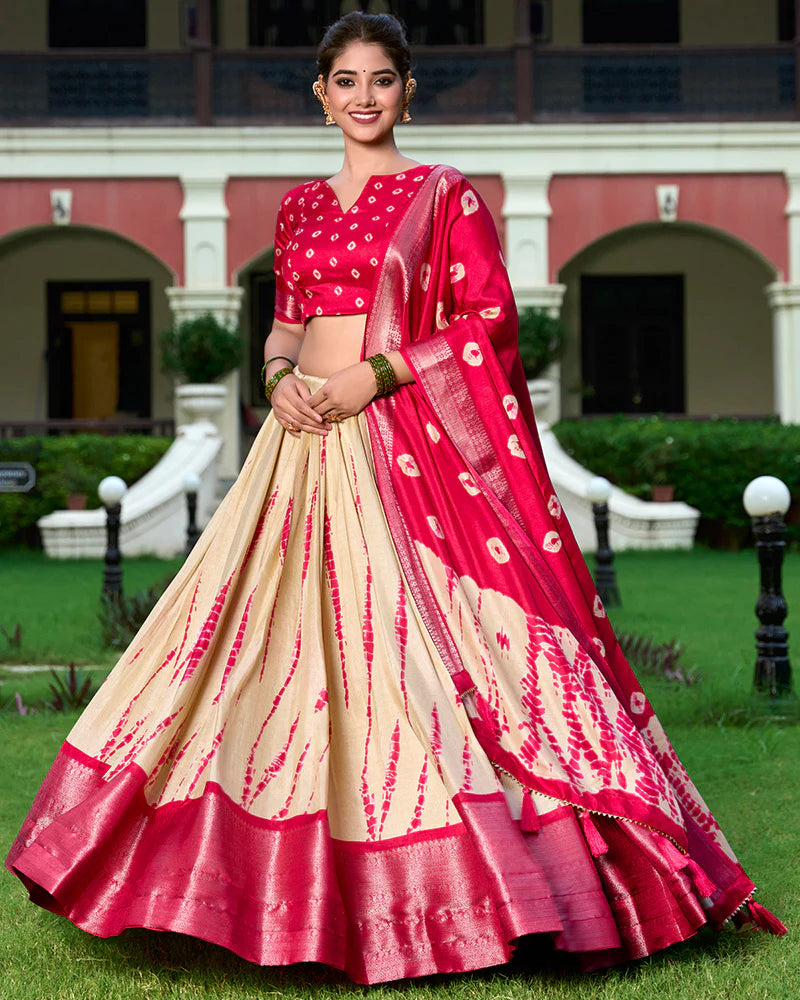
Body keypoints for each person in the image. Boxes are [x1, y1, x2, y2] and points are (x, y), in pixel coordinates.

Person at [6, 11, 785, 986]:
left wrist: (367, 378)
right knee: (255, 653)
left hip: (400, 448)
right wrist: (279, 374)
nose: (364, 98)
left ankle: (475, 889)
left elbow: (485, 322)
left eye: (382, 80)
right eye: (346, 81)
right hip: (296, 452)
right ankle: (249, 886)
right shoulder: (296, 210)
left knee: (412, 656)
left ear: (405, 91)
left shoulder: (441, 194)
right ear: (320, 93)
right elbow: (286, 322)